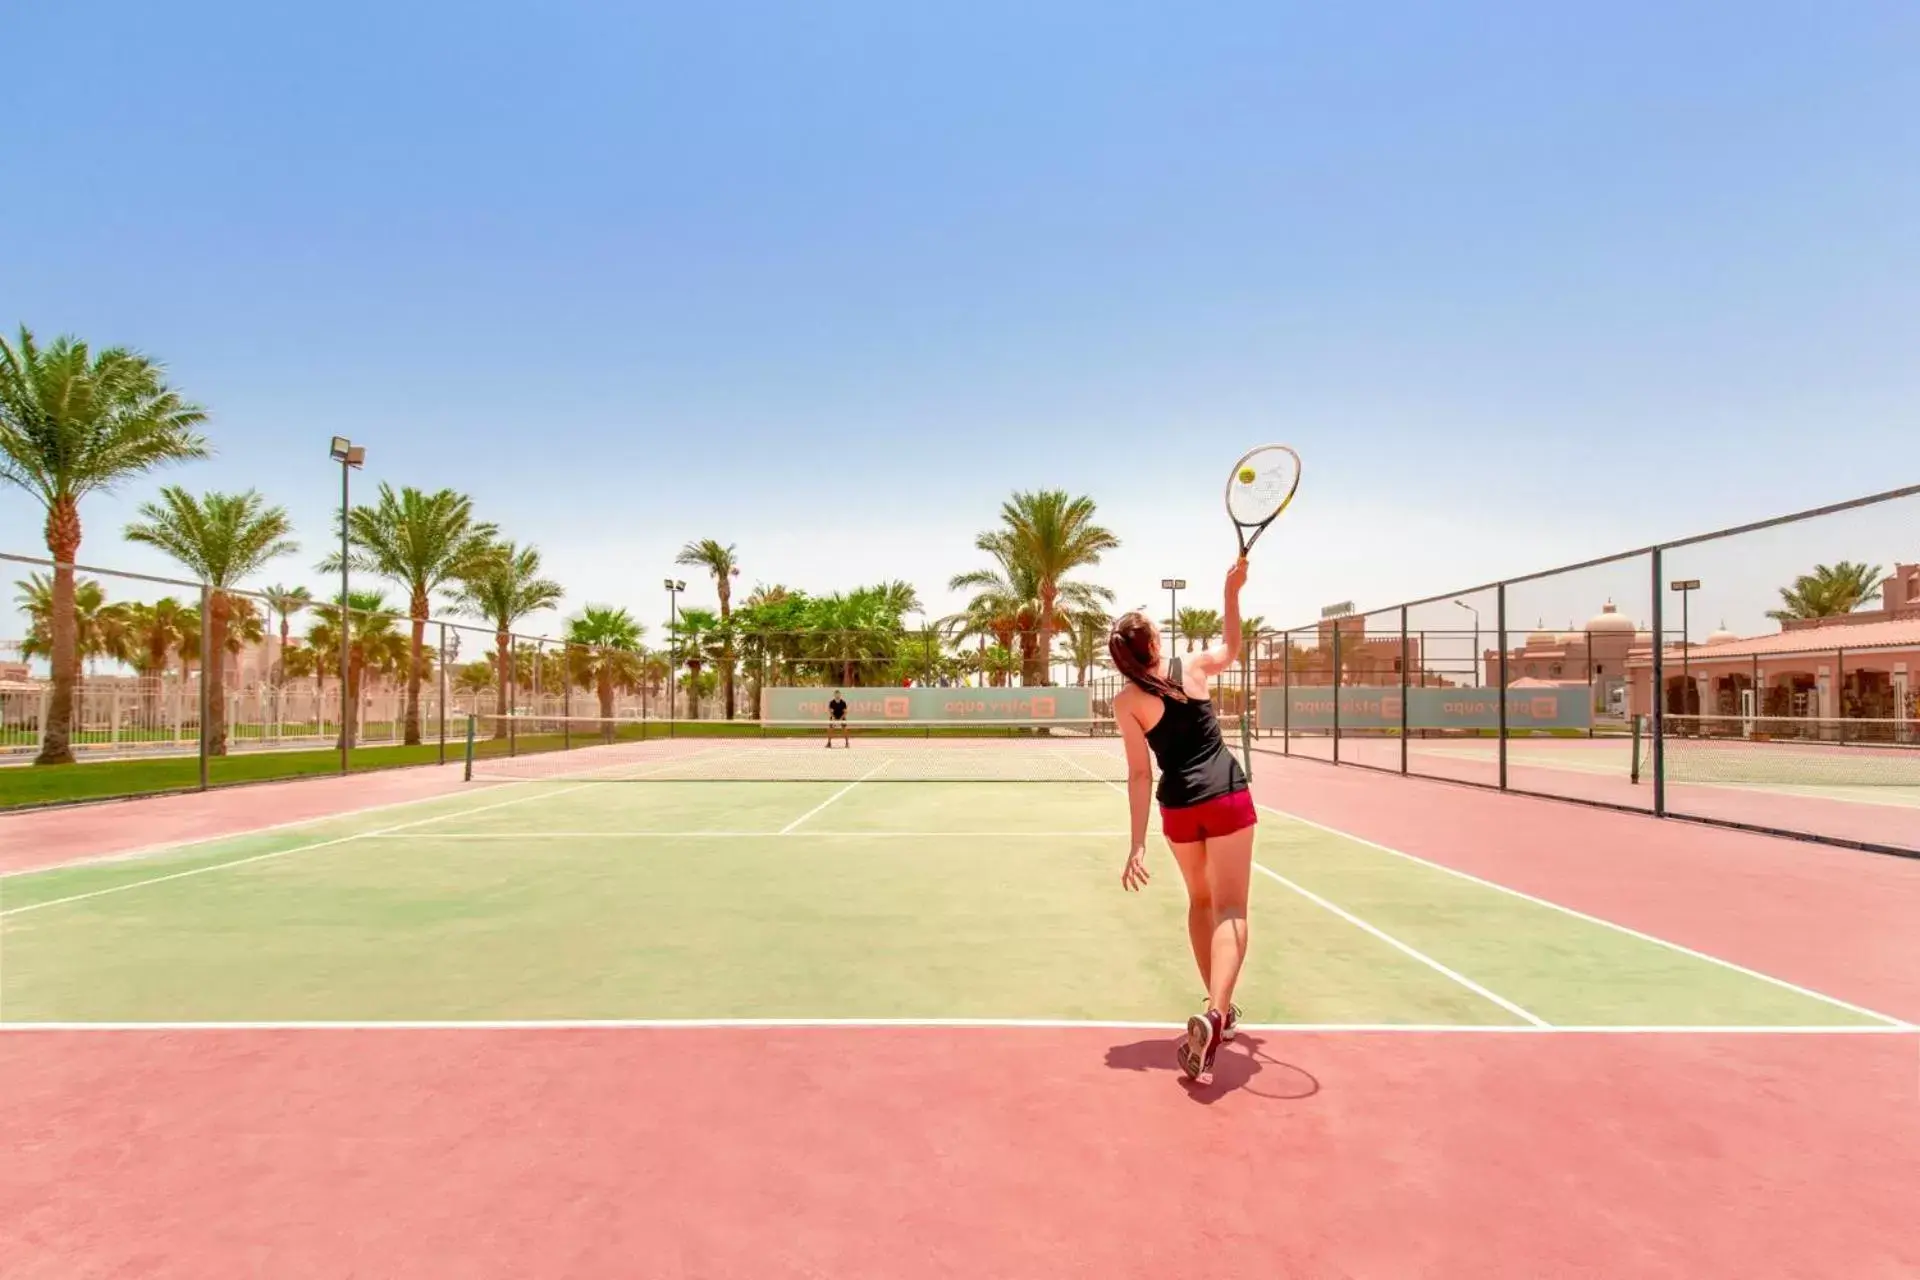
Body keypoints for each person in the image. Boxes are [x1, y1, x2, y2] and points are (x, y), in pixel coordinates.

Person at [1112, 557, 1255, 1086]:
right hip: (1225, 794)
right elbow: (1233, 648)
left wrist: (1136, 845)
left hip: (1178, 808)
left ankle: (1218, 1012)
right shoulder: (1190, 666)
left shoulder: (1126, 702)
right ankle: (1216, 1016)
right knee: (1233, 906)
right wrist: (1231, 592)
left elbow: (1137, 776)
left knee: (1199, 901)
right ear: (1152, 641)